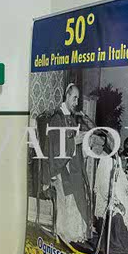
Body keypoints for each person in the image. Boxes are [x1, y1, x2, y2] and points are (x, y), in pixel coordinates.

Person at [48, 83, 93, 244]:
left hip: (71, 164)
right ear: (67, 96)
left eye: (77, 99)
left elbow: (71, 139)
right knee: (68, 195)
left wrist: (82, 140)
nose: (76, 102)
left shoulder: (71, 117)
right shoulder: (57, 118)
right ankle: (64, 235)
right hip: (60, 167)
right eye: (74, 98)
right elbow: (55, 146)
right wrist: (74, 142)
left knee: (79, 190)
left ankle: (75, 233)